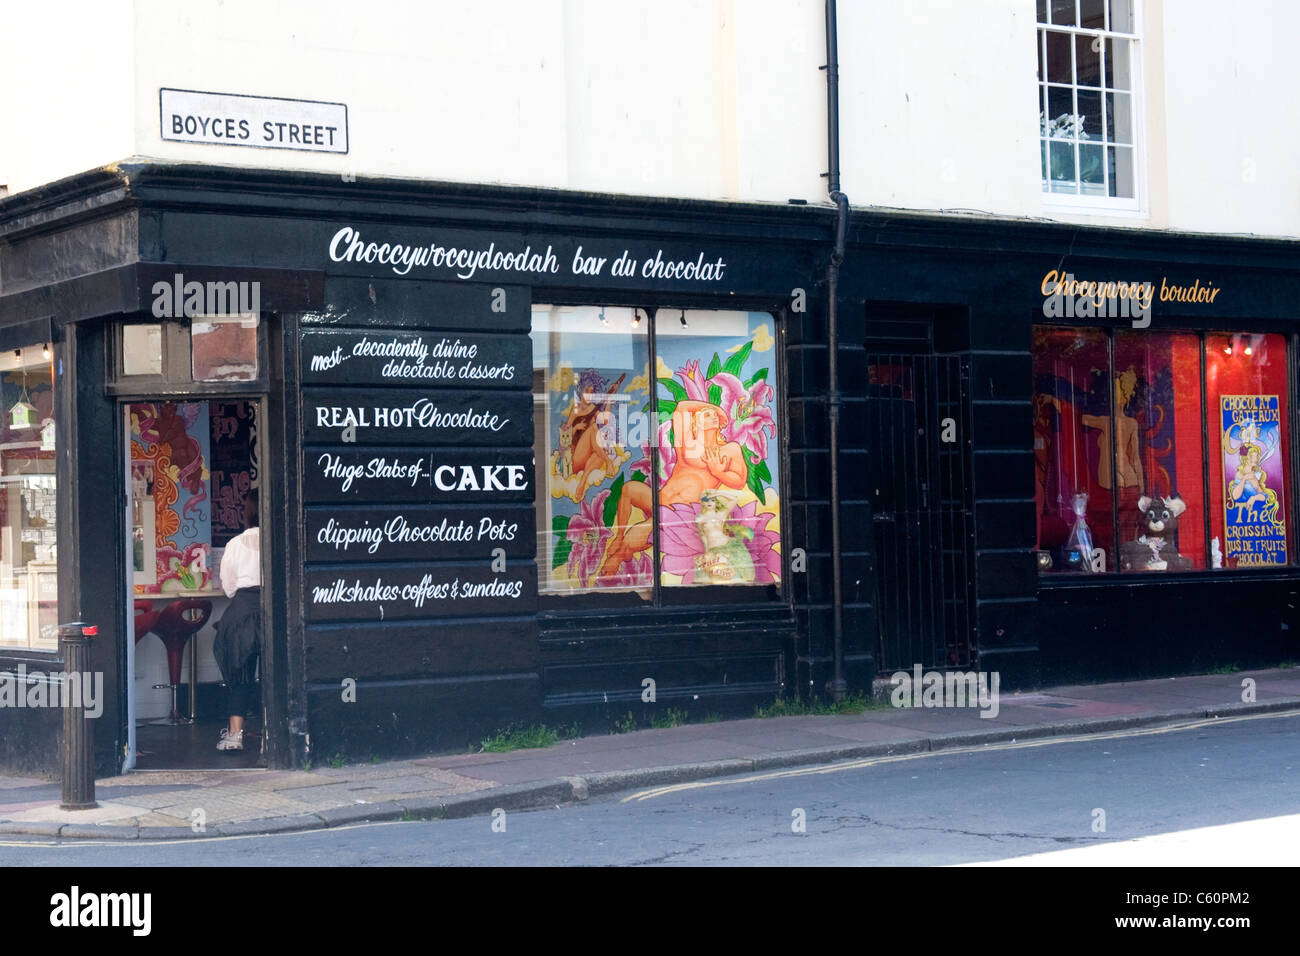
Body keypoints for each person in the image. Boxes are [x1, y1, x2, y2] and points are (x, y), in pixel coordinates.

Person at [213, 491, 261, 752]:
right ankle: (275, 733)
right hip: (271, 609)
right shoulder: (278, 541)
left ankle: (235, 736)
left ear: (247, 511)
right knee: (276, 674)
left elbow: (229, 588)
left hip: (242, 611)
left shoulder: (234, 545)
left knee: (240, 673)